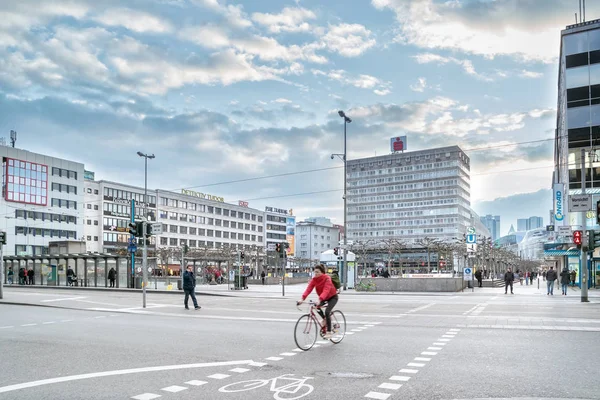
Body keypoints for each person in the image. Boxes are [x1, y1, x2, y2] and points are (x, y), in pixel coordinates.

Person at [298, 264, 338, 339]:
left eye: (317, 272)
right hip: (323, 298)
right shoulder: (314, 280)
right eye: (315, 272)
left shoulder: (327, 278)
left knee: (327, 312)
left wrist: (319, 299)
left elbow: (326, 290)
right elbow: (308, 289)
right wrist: (302, 299)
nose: (316, 274)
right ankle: (325, 319)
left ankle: (329, 332)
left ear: (322, 272)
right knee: (316, 307)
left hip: (333, 297)